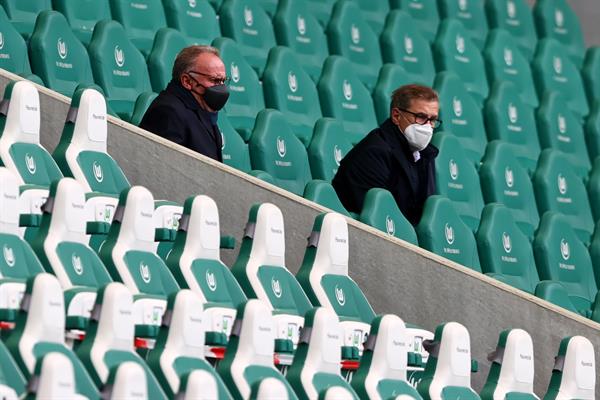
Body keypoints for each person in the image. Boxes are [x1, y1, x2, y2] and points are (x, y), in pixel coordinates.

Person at [332, 84, 440, 226]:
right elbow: (378, 218)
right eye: (420, 117)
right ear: (396, 116)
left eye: (432, 120)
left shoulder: (425, 156)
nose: (427, 126)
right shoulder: (373, 152)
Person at [139, 45, 230, 162]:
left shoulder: (202, 108)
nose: (221, 87)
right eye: (215, 80)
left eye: (223, 81)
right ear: (187, 81)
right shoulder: (168, 112)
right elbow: (165, 168)